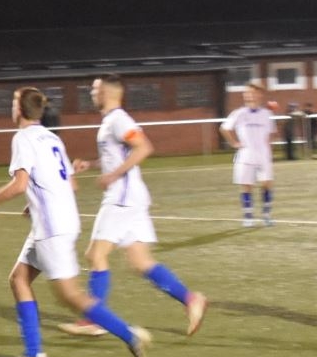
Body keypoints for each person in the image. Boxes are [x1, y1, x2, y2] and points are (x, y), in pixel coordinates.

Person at [0, 87, 148, 357]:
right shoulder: (52, 137)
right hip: (60, 220)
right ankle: (34, 354)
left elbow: (20, 185)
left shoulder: (23, 138)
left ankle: (129, 334)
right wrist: (36, 203)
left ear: (19, 110)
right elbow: (70, 183)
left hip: (52, 226)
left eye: (13, 103)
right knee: (19, 279)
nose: (12, 108)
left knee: (70, 296)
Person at [59, 75, 208, 339]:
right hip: (132, 197)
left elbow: (143, 147)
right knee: (141, 262)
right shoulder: (110, 121)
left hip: (123, 197)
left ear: (105, 92)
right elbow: (120, 156)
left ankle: (93, 319)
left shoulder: (119, 120)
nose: (91, 93)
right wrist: (92, 165)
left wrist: (113, 175)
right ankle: (190, 299)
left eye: (94, 89)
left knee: (95, 255)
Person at [219, 81, 276, 227]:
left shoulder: (266, 114)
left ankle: (266, 215)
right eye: (247, 92)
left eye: (252, 92)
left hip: (263, 155)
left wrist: (268, 150)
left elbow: (270, 134)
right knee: (246, 186)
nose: (249, 95)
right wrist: (234, 143)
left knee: (266, 184)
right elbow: (224, 128)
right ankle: (248, 216)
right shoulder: (239, 113)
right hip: (246, 155)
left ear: (260, 95)